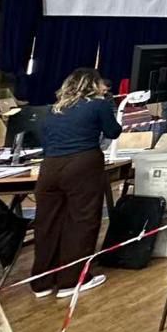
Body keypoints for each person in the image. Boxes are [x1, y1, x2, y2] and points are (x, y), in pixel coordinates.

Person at [31, 69, 122, 298]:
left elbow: (45, 138)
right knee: (82, 221)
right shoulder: (98, 105)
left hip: (49, 167)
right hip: (83, 164)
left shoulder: (54, 109)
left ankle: (41, 282)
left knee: (47, 224)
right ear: (93, 84)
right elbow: (113, 131)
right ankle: (71, 280)